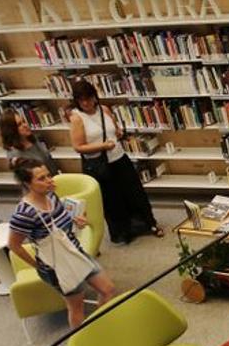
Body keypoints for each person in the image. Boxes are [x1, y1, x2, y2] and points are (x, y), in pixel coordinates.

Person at [6, 157, 115, 328]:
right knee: (76, 306)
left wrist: (77, 222)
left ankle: (100, 326)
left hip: (76, 252)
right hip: (56, 267)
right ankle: (81, 338)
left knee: (107, 289)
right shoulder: (23, 214)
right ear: (27, 184)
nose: (49, 180)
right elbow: (14, 245)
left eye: (48, 175)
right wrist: (37, 265)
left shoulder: (51, 195)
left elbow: (60, 224)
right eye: (41, 178)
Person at [68, 79, 162, 244]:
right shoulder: (77, 118)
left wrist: (118, 132)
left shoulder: (104, 109)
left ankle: (148, 224)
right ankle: (123, 232)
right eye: (81, 100)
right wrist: (103, 145)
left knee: (135, 193)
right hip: (100, 165)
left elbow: (115, 129)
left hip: (119, 158)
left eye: (89, 98)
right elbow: (78, 147)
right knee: (112, 200)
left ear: (95, 97)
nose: (86, 103)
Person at [0, 109, 59, 176]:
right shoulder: (15, 156)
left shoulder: (33, 139)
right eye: (19, 125)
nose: (25, 125)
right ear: (11, 130)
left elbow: (49, 162)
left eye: (24, 121)